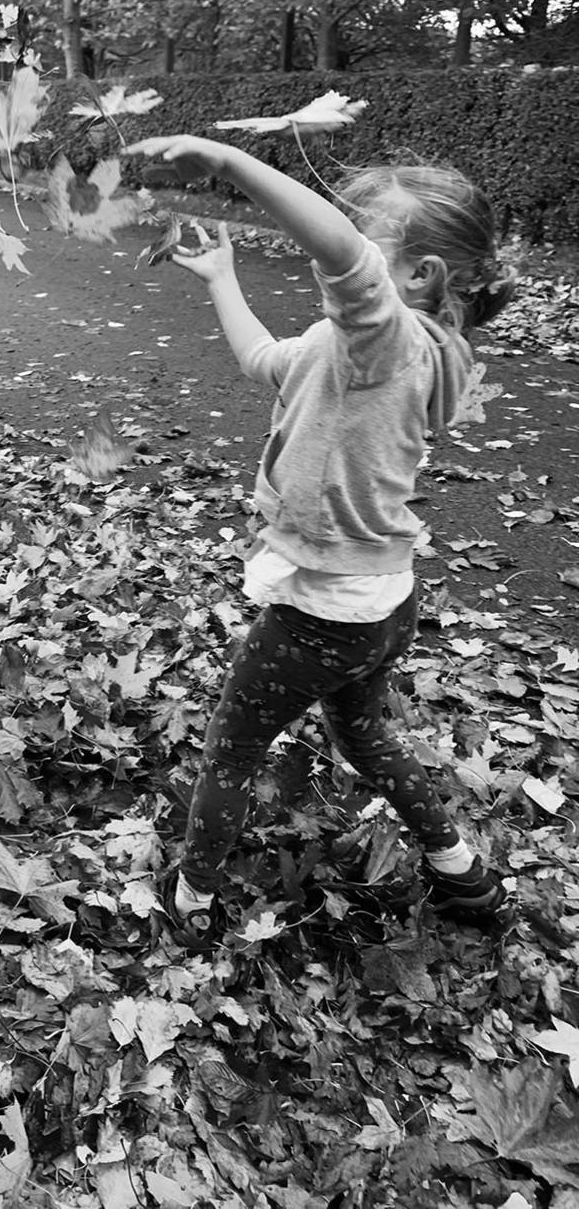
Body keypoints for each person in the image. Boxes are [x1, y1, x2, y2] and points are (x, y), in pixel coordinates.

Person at [124, 134, 517, 946]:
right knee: (363, 733)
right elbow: (266, 360)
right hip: (382, 601)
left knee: (229, 752)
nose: (339, 242)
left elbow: (342, 260)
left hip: (322, 615)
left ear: (417, 277)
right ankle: (455, 868)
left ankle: (191, 899)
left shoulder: (390, 339)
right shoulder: (402, 349)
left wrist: (225, 163)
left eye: (367, 239)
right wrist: (223, 280)